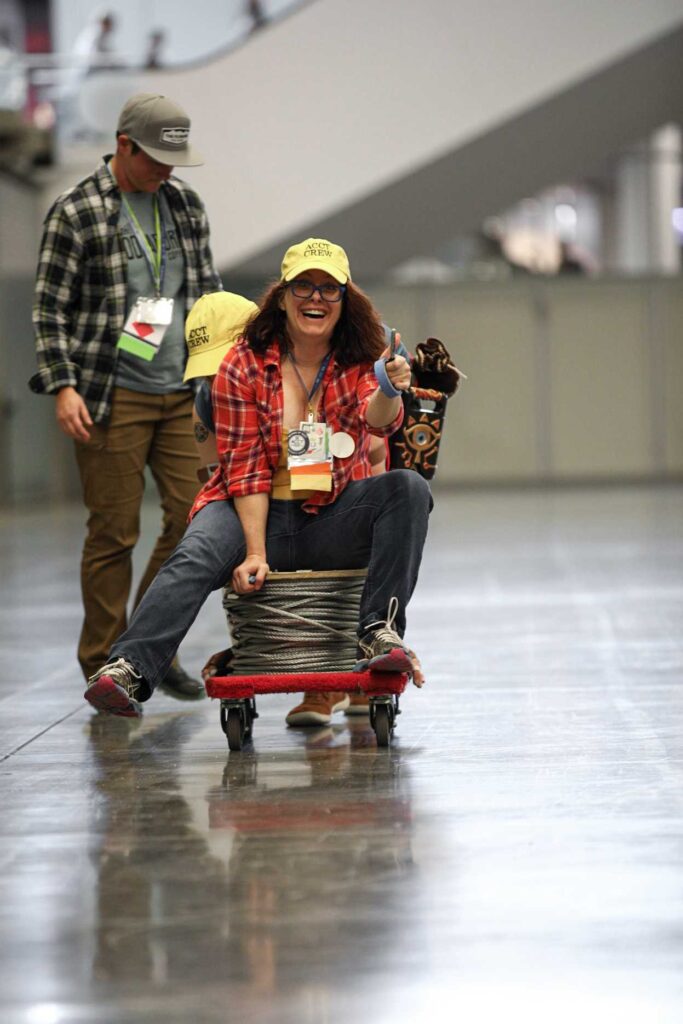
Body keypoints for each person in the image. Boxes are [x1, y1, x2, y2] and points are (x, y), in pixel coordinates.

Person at [83, 237, 432, 722]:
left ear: (345, 298)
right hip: (256, 514)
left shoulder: (360, 356)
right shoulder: (241, 364)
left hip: (329, 515)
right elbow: (243, 469)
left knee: (409, 488)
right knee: (195, 548)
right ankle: (128, 668)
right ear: (282, 296)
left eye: (329, 289)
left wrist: (392, 386)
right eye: (304, 286)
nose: (316, 298)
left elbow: (379, 422)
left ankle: (379, 631)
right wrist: (255, 552)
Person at [30, 92, 222, 699]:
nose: (168, 170)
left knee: (194, 521)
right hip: (112, 393)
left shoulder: (184, 204)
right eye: (157, 158)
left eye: (174, 160)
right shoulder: (77, 211)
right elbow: (48, 310)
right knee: (113, 533)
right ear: (123, 145)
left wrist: (218, 376)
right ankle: (101, 667)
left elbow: (208, 293)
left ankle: (146, 647)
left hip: (182, 390)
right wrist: (63, 387)